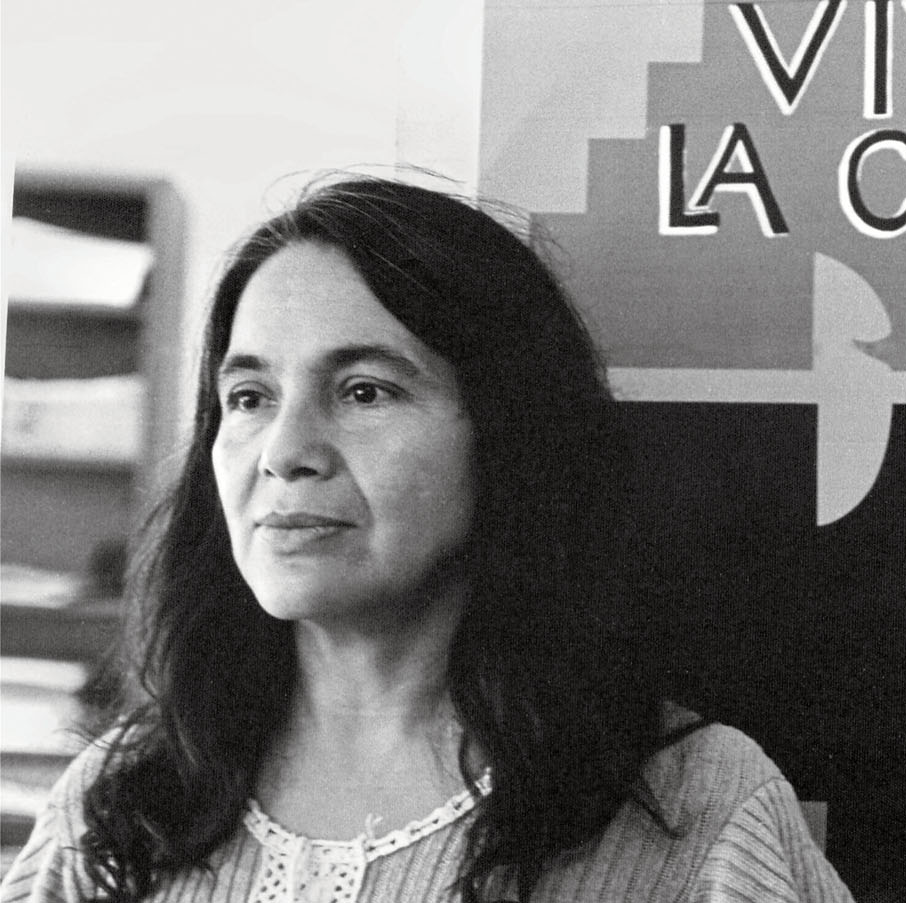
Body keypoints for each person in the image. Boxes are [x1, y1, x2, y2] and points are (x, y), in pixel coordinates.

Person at [0, 175, 854, 903]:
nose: (286, 453)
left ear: (505, 435)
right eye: (251, 396)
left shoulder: (695, 814)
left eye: (365, 391)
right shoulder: (117, 806)